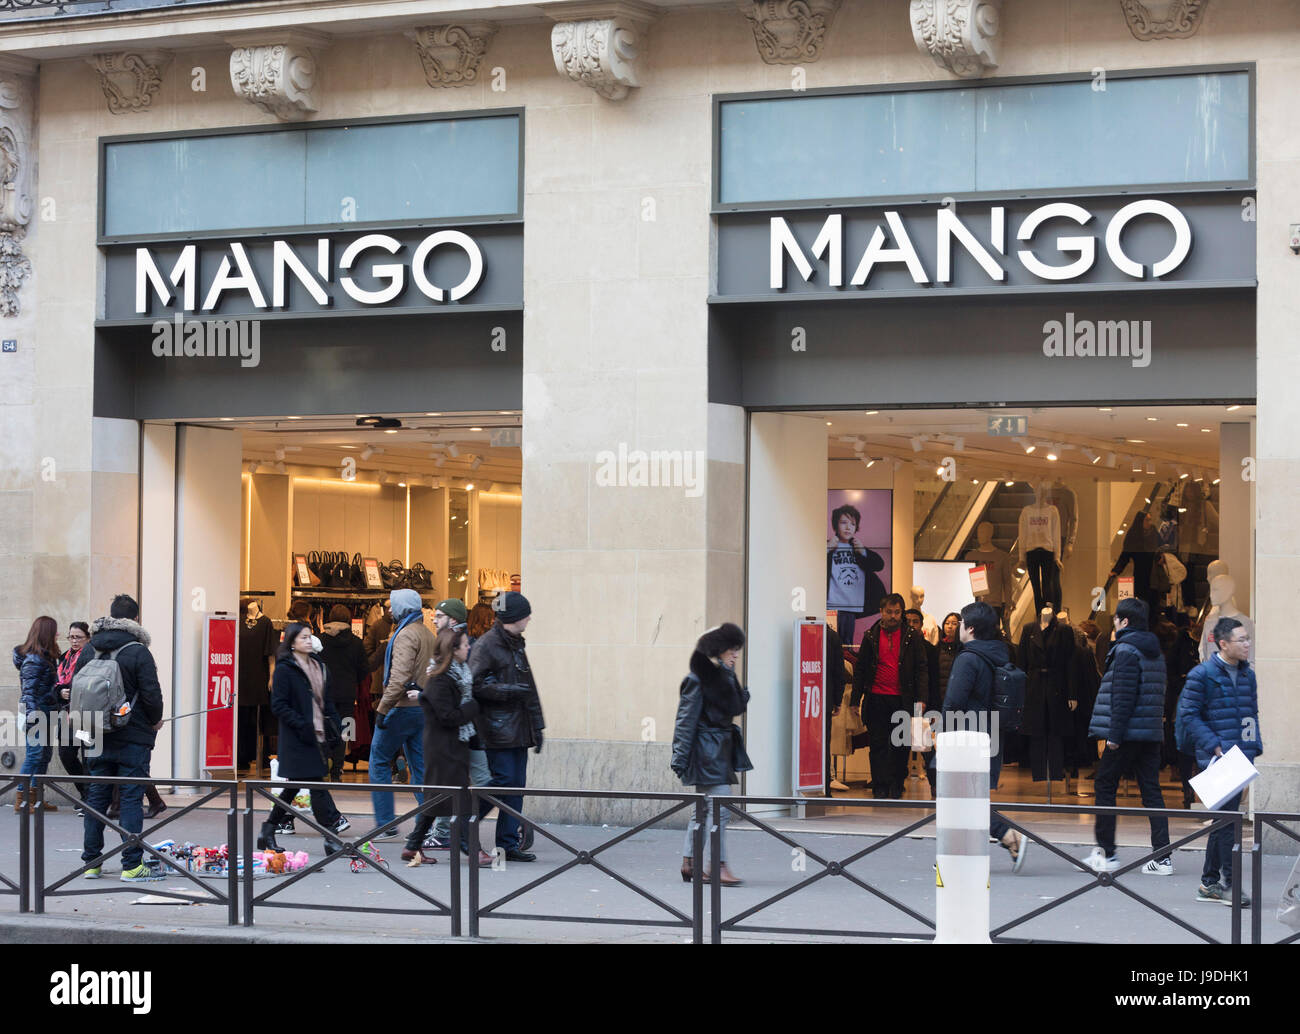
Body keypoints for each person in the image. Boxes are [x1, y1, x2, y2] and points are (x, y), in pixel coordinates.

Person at [74, 595, 166, 883]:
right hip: (132, 736)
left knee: (96, 799)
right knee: (130, 798)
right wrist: (154, 720)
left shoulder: (90, 649)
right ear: (136, 620)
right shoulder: (138, 651)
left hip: (95, 736)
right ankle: (132, 865)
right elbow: (152, 695)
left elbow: (76, 688)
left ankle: (92, 863)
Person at [1082, 598, 1171, 875]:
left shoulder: (1125, 651)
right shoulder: (1155, 652)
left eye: (1116, 620)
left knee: (1105, 785)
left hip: (1127, 732)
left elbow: (1123, 696)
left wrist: (1114, 736)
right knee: (1151, 791)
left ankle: (1107, 853)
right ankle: (1163, 856)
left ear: (1125, 622)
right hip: (1150, 733)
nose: (1114, 625)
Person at [1177, 617, 1260, 906]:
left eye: (1248, 639)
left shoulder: (1248, 675)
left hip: (1239, 758)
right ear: (1223, 644)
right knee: (1229, 822)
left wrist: (1252, 749)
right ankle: (1230, 885)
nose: (1247, 644)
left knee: (1224, 820)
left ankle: (1209, 883)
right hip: (1217, 758)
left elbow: (1252, 715)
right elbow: (1189, 715)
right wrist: (1214, 746)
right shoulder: (1202, 675)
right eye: (1241, 640)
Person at [942, 601, 1028, 871]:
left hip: (967, 736)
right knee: (969, 795)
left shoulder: (968, 658)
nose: (957, 628)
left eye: (961, 623)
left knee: (961, 795)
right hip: (990, 732)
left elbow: (954, 701)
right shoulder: (998, 654)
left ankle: (1007, 835)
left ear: (970, 628)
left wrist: (939, 733)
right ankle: (962, 853)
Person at [402, 627, 493, 867]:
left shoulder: (459, 674)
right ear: (453, 650)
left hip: (454, 745)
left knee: (435, 800)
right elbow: (448, 717)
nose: (468, 648)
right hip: (443, 748)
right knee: (460, 799)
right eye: (464, 645)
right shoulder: (440, 680)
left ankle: (412, 846)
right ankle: (470, 848)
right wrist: (474, 706)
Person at [672, 623, 752, 887]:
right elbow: (685, 720)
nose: (736, 655)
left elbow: (735, 705)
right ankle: (717, 866)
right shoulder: (696, 680)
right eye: (731, 650)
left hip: (719, 751)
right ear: (718, 651)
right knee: (720, 812)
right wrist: (680, 757)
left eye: (737, 650)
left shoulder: (722, 677)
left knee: (704, 812)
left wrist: (731, 676)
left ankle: (690, 863)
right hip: (706, 753)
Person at [258, 622, 350, 851]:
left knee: (293, 788)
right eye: (303, 638)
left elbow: (326, 701)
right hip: (297, 738)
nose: (308, 641)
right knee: (316, 785)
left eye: (310, 637)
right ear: (292, 642)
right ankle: (330, 837)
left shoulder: (319, 665)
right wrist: (301, 724)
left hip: (318, 736)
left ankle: (268, 830)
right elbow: (278, 705)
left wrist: (338, 727)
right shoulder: (285, 669)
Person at [471, 591, 545, 862]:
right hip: (497, 728)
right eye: (526, 614)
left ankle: (507, 844)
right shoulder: (487, 644)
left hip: (518, 727)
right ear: (514, 617)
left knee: (515, 786)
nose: (529, 618)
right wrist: (508, 691)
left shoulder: (515, 643)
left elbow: (529, 689)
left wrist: (537, 726)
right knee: (503, 782)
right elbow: (474, 684)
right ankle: (465, 820)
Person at [849, 593, 928, 799]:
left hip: (902, 698)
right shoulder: (870, 636)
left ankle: (896, 783)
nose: (893, 616)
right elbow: (861, 669)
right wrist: (855, 700)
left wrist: (921, 698)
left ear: (901, 613)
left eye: (897, 612)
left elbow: (921, 668)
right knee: (877, 744)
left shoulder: (912, 636)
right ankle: (880, 784)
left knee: (900, 744)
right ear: (881, 612)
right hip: (876, 697)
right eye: (889, 612)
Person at [370, 589, 432, 839]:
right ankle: (425, 823)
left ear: (402, 608)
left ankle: (386, 822)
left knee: (379, 759)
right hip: (422, 709)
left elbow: (399, 676)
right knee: (420, 767)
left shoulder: (405, 635)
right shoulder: (427, 633)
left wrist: (382, 708)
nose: (389, 611)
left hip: (401, 707)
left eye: (392, 606)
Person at [13, 615, 61, 810]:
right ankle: (22, 800)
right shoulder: (34, 660)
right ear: (46, 633)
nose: (58, 634)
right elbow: (28, 692)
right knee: (34, 755)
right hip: (37, 714)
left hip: (47, 712)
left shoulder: (46, 657)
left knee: (44, 755)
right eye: (55, 630)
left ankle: (36, 798)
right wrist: (33, 717)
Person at [318, 604, 368, 782]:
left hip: (324, 693)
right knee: (344, 732)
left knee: (323, 729)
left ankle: (324, 765)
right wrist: (353, 680)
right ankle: (338, 769)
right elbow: (364, 669)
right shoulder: (356, 642)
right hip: (348, 695)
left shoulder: (320, 640)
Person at [826, 503, 887, 646]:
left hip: (852, 605)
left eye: (852, 524)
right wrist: (828, 549)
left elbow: (879, 565)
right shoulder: (829, 547)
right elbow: (814, 566)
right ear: (835, 525)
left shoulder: (857, 547)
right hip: (832, 605)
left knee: (847, 645)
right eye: (843, 523)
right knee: (831, 643)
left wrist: (863, 551)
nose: (848, 527)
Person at [54, 621, 91, 813]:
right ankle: (84, 792)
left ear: (88, 638)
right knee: (66, 754)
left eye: (78, 637)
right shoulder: (64, 658)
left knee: (87, 754)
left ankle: (91, 800)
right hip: (68, 714)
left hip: (85, 716)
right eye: (71, 637)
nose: (74, 641)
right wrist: (60, 692)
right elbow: (56, 683)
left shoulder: (91, 657)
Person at [906, 608, 941, 799]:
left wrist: (931, 705)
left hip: (924, 706)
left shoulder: (930, 650)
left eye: (915, 622)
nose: (911, 625)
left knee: (926, 748)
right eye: (908, 621)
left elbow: (933, 680)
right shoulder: (900, 647)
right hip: (901, 703)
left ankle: (934, 784)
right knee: (899, 746)